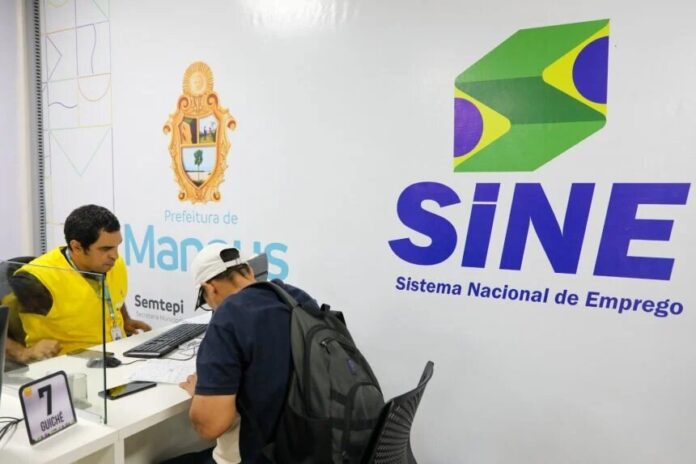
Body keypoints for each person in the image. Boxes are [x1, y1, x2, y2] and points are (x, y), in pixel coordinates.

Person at [178, 243, 317, 463]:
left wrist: (198, 393)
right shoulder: (296, 298)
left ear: (209, 289)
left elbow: (209, 427)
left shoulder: (227, 319)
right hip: (313, 449)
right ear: (250, 271)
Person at [7, 204, 151, 358]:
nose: (114, 256)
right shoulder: (36, 281)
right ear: (77, 247)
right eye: (105, 249)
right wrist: (22, 353)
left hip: (116, 359)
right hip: (67, 367)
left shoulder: (112, 264)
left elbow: (114, 298)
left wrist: (125, 319)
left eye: (116, 246)